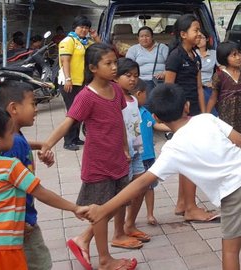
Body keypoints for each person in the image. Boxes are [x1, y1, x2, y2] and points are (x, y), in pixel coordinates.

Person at [82, 83, 241, 270]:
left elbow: (142, 183)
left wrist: (104, 209)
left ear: (156, 118)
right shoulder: (206, 119)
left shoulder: (172, 150)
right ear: (187, 106)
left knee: (231, 249)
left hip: (234, 190)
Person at [40, 43, 138, 270]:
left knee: (115, 203)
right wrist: (47, 144)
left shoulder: (115, 89)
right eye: (109, 63)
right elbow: (68, 122)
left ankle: (83, 239)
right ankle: (105, 259)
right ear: (93, 68)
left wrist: (124, 147)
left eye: (115, 62)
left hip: (117, 159)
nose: (115, 67)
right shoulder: (86, 96)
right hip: (98, 163)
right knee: (100, 211)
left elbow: (119, 121)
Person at [0, 104, 87, 270]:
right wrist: (74, 207)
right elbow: (41, 193)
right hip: (6, 247)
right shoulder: (11, 166)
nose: (15, 136)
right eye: (11, 133)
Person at [0, 81, 56, 270]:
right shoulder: (15, 142)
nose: (36, 109)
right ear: (13, 108)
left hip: (15, 221)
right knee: (39, 264)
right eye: (33, 103)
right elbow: (31, 189)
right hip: (22, 223)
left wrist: (40, 145)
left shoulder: (11, 137)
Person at [165, 14, 218, 222]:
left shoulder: (194, 56)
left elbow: (198, 87)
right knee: (191, 159)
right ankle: (190, 208)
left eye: (199, 30)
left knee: (190, 159)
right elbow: (169, 89)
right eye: (195, 30)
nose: (199, 34)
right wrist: (175, 114)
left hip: (195, 113)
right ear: (183, 34)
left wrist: (204, 114)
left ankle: (182, 203)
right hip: (181, 115)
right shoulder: (175, 56)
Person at [115, 58, 151, 243]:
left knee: (141, 187)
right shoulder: (114, 99)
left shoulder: (134, 100)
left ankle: (130, 224)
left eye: (135, 76)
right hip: (123, 153)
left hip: (136, 151)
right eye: (127, 75)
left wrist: (139, 149)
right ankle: (119, 231)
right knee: (124, 193)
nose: (132, 79)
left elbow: (136, 126)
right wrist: (123, 150)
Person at [58, 15, 101, 151]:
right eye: (81, 27)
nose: (84, 30)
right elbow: (65, 61)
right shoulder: (69, 41)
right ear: (74, 27)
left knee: (81, 110)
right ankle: (68, 141)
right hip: (70, 81)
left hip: (83, 81)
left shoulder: (86, 42)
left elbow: (101, 49)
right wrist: (68, 79)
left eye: (86, 27)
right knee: (73, 111)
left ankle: (75, 138)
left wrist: (95, 36)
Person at [131, 79, 171, 226]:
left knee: (150, 188)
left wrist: (173, 127)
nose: (147, 98)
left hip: (149, 157)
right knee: (132, 190)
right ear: (138, 94)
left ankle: (150, 214)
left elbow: (156, 126)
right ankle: (130, 218)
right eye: (146, 95)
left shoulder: (146, 112)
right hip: (135, 157)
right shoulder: (129, 112)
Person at [207, 41, 241, 138]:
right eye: (234, 55)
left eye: (240, 53)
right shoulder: (219, 76)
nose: (239, 57)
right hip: (226, 115)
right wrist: (205, 115)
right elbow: (213, 98)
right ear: (224, 57)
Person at [126, 26, 169, 101]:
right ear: (138, 38)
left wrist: (164, 73)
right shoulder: (133, 49)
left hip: (160, 80)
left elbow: (170, 63)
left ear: (152, 37)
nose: (144, 38)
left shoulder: (162, 47)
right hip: (142, 80)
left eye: (147, 36)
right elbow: (128, 66)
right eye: (141, 36)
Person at [196, 30, 218, 116]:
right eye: (197, 38)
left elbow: (222, 68)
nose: (199, 40)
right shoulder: (193, 54)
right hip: (196, 85)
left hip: (208, 85)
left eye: (201, 37)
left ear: (207, 39)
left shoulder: (213, 53)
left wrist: (214, 82)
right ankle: (212, 116)